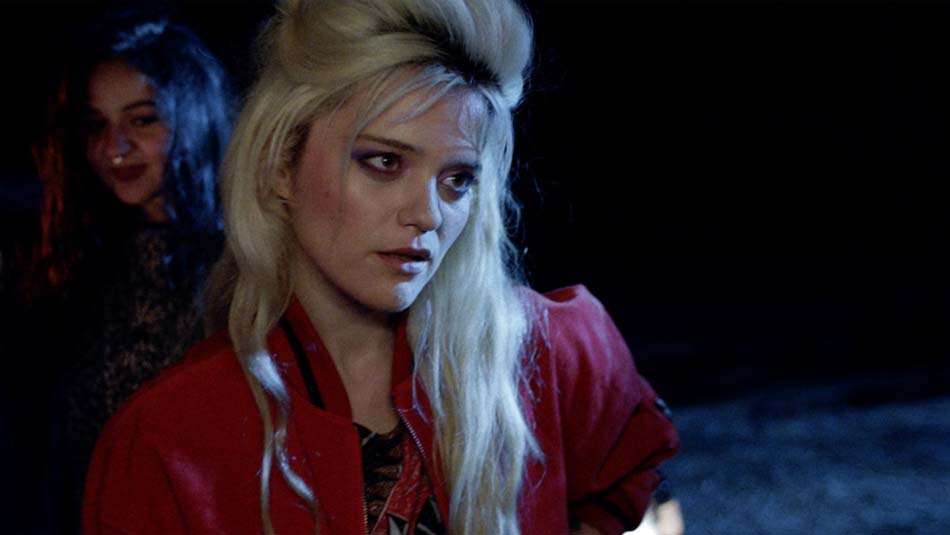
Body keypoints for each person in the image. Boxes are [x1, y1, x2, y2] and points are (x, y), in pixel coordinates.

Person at [82, 1, 678, 534]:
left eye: (457, 179)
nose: (428, 214)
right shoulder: (168, 440)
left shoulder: (543, 350)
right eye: (385, 162)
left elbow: (635, 461)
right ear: (281, 165)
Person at [18, 11, 233, 532]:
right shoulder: (72, 266)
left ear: (193, 117)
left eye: (142, 120)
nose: (114, 147)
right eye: (97, 125)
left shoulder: (244, 265)